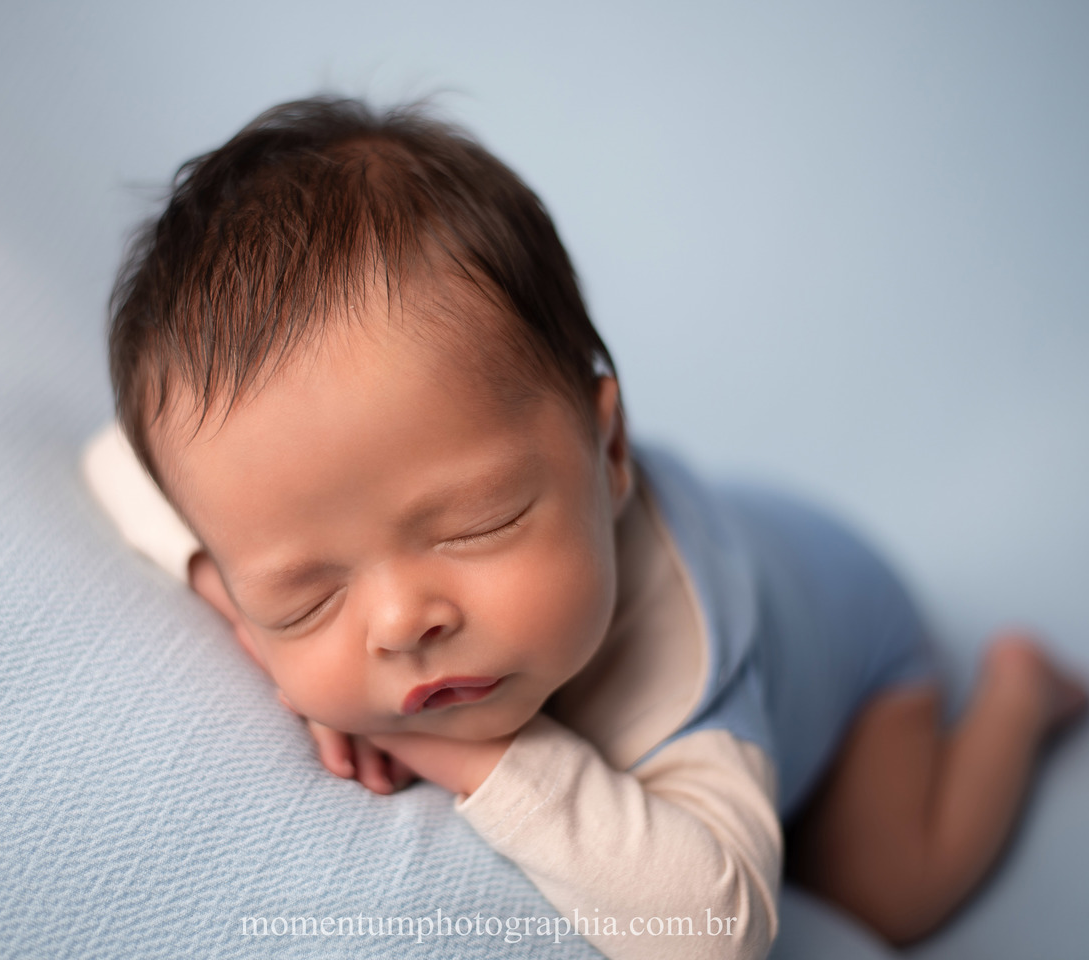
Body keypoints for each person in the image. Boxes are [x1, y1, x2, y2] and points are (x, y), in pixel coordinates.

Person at [82, 96, 1086, 959]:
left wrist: (460, 754)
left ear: (608, 455)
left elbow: (715, 926)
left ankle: (1016, 691)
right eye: (310, 589)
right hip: (731, 519)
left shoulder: (687, 674)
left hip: (856, 638)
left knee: (881, 895)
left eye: (477, 524)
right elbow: (112, 459)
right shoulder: (268, 505)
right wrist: (241, 599)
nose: (398, 619)